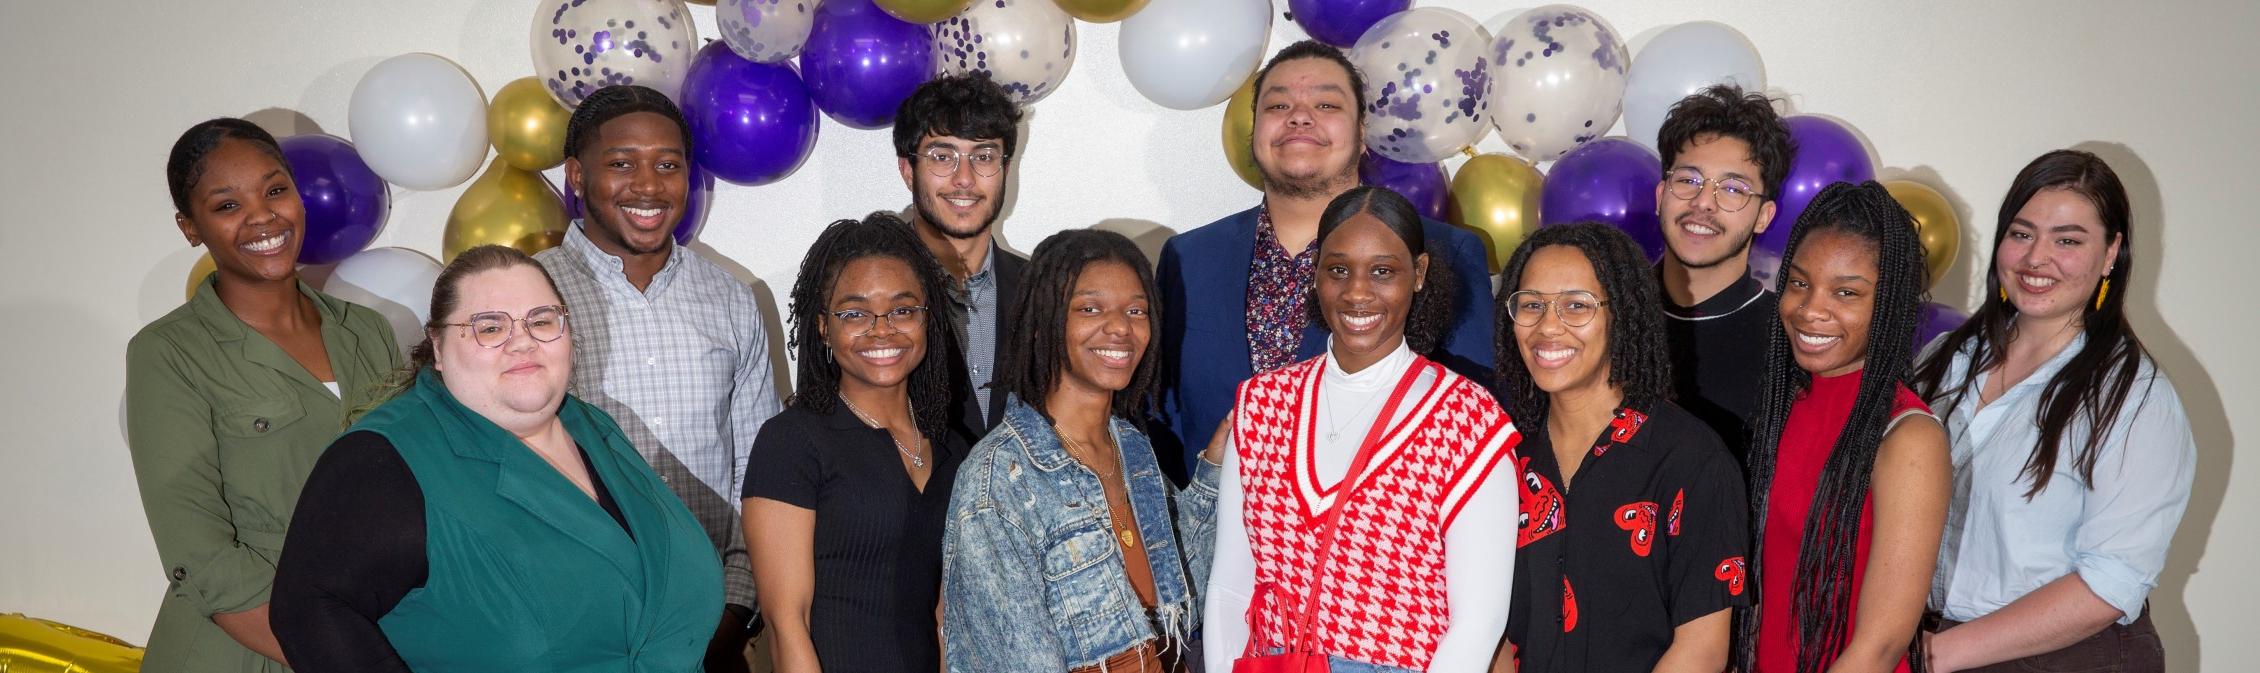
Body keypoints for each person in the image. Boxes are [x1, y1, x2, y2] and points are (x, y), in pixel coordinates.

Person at [270, 245, 723, 672]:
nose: (522, 342)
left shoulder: (592, 426)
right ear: (439, 348)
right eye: (490, 327)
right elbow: (308, 610)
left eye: (541, 321)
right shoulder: (382, 461)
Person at [126, 117, 403, 673]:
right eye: (227, 205)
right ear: (190, 227)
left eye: (276, 190)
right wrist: (336, 654)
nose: (262, 217)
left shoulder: (368, 332)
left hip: (369, 629)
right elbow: (199, 555)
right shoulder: (168, 352)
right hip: (244, 646)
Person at [1204, 186, 1517, 673]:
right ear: (1315, 276)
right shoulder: (1262, 404)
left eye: (1383, 271)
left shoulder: (1467, 418)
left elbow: (1479, 619)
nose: (1357, 292)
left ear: (1419, 274)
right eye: (1338, 269)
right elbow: (1229, 583)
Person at [1156, 40, 1497, 484]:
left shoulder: (1444, 253)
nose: (1299, 116)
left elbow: (1476, 424)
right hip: (1210, 540)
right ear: (1254, 130)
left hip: (1381, 541)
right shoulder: (1188, 259)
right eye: (1278, 104)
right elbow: (1161, 417)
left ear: (1361, 134)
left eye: (1326, 103)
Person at [1912, 150, 2194, 673]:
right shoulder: (1943, 360)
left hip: (2064, 659)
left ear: (2112, 253)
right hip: (1930, 642)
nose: (2036, 258)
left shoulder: (2135, 399)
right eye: (2021, 234)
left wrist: (1937, 656)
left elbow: (2111, 583)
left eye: (2067, 240)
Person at [533, 84, 779, 670]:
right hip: (570, 634)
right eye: (622, 164)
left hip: (715, 635)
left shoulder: (731, 300)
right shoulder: (527, 298)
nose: (648, 186)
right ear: (575, 174)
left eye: (668, 165)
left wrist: (732, 614)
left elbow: (761, 473)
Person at [943, 229, 1225, 673]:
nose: (1120, 327)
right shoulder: (999, 479)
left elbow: (1183, 605)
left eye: (1137, 310)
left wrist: (1214, 469)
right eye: (1090, 308)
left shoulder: (1131, 447)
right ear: (1042, 323)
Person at [1492, 223, 1748, 673]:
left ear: (1622, 316)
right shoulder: (1505, 459)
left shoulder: (1690, 459)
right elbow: (1497, 635)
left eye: (1576, 305)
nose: (1548, 327)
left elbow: (1702, 652)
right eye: (1531, 305)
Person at [1740, 182, 1952, 673]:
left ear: (1889, 305)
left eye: (1846, 293)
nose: (1810, 309)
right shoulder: (1784, 403)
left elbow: (1879, 647)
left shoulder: (1908, 436)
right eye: (1798, 283)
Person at [742, 213, 967, 673]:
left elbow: (946, 616)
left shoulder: (952, 450)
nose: (882, 329)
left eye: (903, 310)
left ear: (928, 318)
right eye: (855, 313)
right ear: (823, 326)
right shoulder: (792, 443)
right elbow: (788, 625)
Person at [1652, 84, 1796, 464]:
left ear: (1764, 216)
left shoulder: (1787, 340)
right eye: (1688, 180)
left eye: (1733, 189)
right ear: (1660, 195)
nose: (1703, 202)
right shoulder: (1602, 312)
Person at [893, 73, 1028, 438]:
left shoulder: (1043, 291)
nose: (964, 178)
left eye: (983, 156)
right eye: (942, 156)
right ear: (908, 170)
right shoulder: (861, 291)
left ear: (1005, 170)